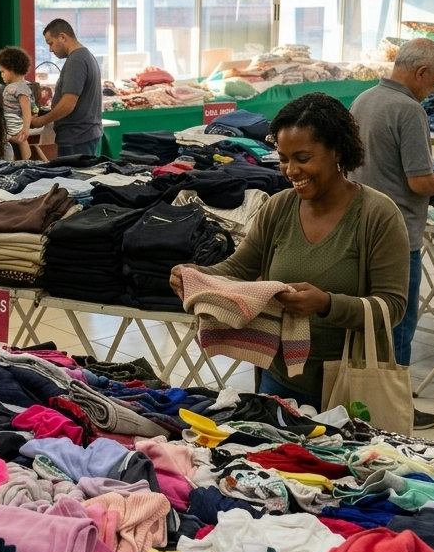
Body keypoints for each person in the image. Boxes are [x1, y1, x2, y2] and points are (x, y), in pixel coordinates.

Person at [168, 92, 410, 412]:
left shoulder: (378, 215)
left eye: (303, 158)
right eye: (283, 158)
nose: (291, 170)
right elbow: (240, 267)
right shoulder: (279, 208)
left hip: (349, 385)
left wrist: (326, 304)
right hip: (280, 378)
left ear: (337, 150)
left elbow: (392, 307)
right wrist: (194, 275)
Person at [349, 38, 434, 431]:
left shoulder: (363, 100)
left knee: (366, 320)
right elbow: (419, 182)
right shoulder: (409, 110)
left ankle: (361, 400)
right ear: (420, 73)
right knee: (399, 323)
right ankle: (395, 408)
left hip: (360, 226)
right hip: (398, 235)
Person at [30, 19, 103, 156]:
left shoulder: (76, 60)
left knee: (75, 177)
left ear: (63, 37)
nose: (50, 49)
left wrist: (41, 121)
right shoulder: (85, 56)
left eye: (51, 43)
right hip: (82, 136)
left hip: (77, 137)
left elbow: (68, 103)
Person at [0, 46, 35, 157]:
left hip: (15, 121)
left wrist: (26, 128)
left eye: (3, 71)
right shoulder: (9, 87)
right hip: (8, 120)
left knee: (21, 140)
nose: (1, 75)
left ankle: (27, 161)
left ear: (11, 69)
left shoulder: (21, 87)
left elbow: (26, 109)